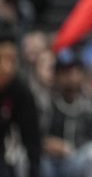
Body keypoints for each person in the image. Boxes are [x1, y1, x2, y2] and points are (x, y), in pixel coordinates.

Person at [0, 24, 41, 177]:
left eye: (13, 60)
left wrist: (34, 169)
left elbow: (31, 137)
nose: (8, 67)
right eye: (3, 59)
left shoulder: (19, 91)